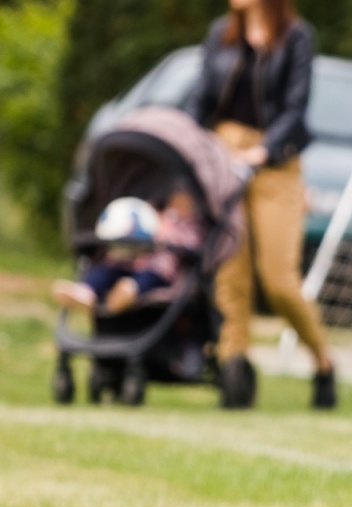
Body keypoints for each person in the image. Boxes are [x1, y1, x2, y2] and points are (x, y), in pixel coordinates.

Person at [185, 0, 337, 410]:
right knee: (229, 273)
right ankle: (234, 369)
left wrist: (262, 151)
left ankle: (323, 362)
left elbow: (295, 108)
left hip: (275, 164)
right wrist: (192, 145)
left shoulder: (297, 37)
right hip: (223, 159)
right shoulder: (221, 34)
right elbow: (200, 100)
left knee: (278, 279)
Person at [54, 191, 203, 316]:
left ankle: (129, 290)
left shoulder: (189, 225)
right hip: (126, 261)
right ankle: (84, 291)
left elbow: (191, 244)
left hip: (157, 266)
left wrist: (164, 236)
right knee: (103, 269)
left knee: (149, 276)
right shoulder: (150, 211)